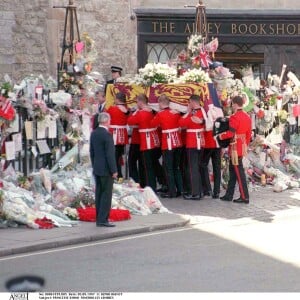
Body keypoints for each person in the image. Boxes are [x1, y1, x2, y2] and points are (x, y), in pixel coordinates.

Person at [218, 95, 252, 204]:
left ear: (235, 104)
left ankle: (244, 196)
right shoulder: (247, 116)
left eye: (232, 104)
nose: (232, 106)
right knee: (233, 171)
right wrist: (245, 146)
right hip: (242, 146)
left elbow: (231, 133)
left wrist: (220, 136)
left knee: (239, 173)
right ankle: (229, 194)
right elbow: (248, 135)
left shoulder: (234, 117)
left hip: (235, 147)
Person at [150, 94, 183, 198]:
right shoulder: (176, 113)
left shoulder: (160, 114)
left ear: (160, 103)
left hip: (168, 143)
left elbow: (152, 124)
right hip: (177, 142)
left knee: (168, 168)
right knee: (176, 167)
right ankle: (180, 190)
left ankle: (171, 191)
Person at [90, 112, 118, 227]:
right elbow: (110, 155)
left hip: (97, 168)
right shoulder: (107, 135)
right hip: (106, 169)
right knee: (106, 195)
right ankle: (103, 219)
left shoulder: (94, 134)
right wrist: (114, 170)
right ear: (106, 121)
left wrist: (94, 165)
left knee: (99, 194)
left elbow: (92, 152)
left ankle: (99, 218)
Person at [127, 93, 160, 191]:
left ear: (141, 102)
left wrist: (137, 111)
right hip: (152, 140)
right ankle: (151, 185)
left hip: (146, 141)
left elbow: (130, 121)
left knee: (147, 166)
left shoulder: (141, 113)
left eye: (137, 101)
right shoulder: (151, 111)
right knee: (149, 165)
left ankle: (150, 187)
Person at [179, 94, 206, 200]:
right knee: (196, 167)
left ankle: (195, 193)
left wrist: (187, 112)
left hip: (193, 142)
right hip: (200, 141)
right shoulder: (203, 111)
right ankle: (199, 191)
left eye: (189, 102)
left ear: (192, 102)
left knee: (192, 168)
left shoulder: (193, 113)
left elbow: (181, 123)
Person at [200, 104, 224, 199]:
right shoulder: (219, 110)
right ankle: (216, 191)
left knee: (202, 164)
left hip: (208, 142)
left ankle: (207, 189)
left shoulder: (205, 110)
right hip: (217, 142)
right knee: (216, 167)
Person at [106, 92, 129, 179]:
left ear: (118, 100)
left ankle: (117, 174)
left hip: (114, 134)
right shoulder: (127, 109)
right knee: (119, 155)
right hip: (122, 134)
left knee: (114, 156)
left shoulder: (112, 108)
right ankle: (119, 174)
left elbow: (105, 115)